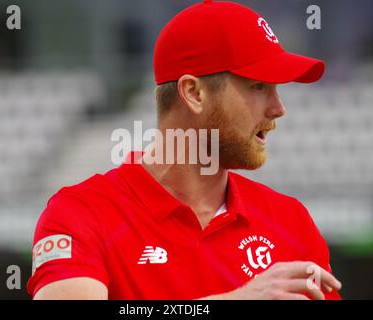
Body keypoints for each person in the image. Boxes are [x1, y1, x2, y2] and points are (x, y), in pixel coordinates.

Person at [27, 0, 342, 300]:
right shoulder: (81, 214)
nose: (278, 109)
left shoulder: (290, 221)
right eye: (258, 86)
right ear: (194, 93)